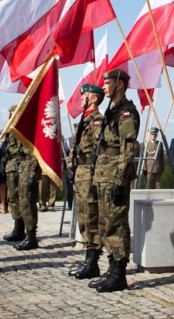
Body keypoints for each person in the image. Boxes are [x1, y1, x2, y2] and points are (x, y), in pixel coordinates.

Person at [91, 68, 140, 292]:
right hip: (104, 177)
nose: (104, 87)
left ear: (119, 85)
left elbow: (128, 149)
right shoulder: (112, 111)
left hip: (115, 177)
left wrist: (121, 182)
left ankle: (119, 274)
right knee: (105, 224)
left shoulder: (126, 112)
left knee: (117, 225)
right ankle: (111, 269)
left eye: (107, 83)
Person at [67, 83, 105, 280]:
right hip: (81, 172)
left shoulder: (96, 120)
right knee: (83, 216)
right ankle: (89, 259)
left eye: (85, 95)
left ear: (94, 98)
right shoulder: (85, 118)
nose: (81, 98)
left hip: (89, 173)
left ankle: (93, 262)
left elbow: (100, 149)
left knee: (90, 216)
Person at [0, 105, 40, 251]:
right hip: (12, 165)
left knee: (26, 200)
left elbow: (35, 150)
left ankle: (31, 235)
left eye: (15, 114)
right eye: (11, 114)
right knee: (13, 198)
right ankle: (18, 228)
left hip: (26, 163)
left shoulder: (28, 128)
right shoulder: (9, 130)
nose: (13, 116)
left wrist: (34, 171)